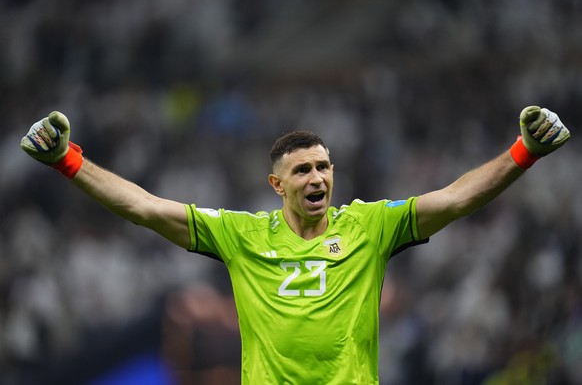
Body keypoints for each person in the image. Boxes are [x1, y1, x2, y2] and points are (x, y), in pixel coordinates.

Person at [20, 106, 570, 384]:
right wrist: (69, 160)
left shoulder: (369, 226)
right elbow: (143, 207)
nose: (317, 177)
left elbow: (452, 200)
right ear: (277, 185)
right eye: (302, 169)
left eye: (324, 166)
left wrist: (523, 151)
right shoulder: (241, 235)